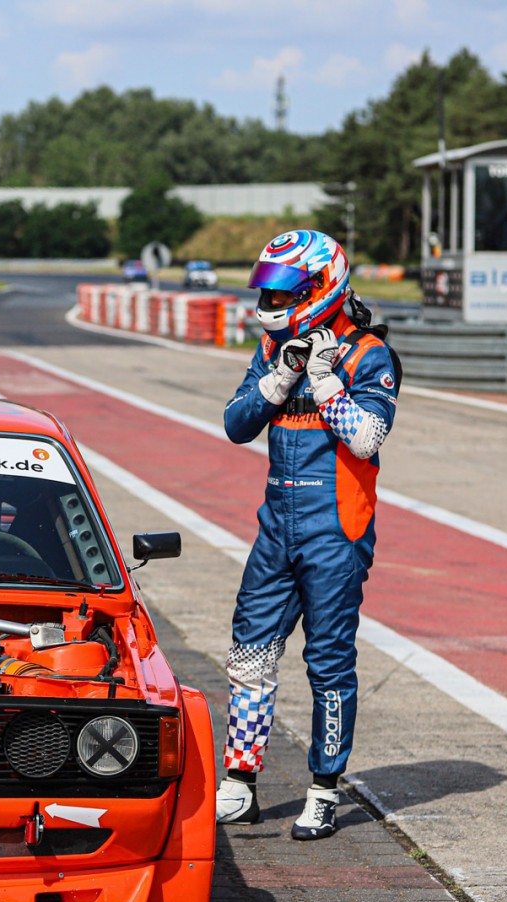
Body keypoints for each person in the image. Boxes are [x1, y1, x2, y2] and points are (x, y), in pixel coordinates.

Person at [216, 230, 399, 840]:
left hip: (336, 532)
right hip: (276, 528)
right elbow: (236, 424)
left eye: (282, 293)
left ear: (321, 287)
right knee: (250, 653)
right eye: (267, 292)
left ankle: (323, 791)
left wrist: (325, 383)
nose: (270, 303)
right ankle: (239, 784)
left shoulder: (368, 354)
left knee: (328, 663)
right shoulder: (274, 347)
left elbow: (367, 439)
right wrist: (280, 377)